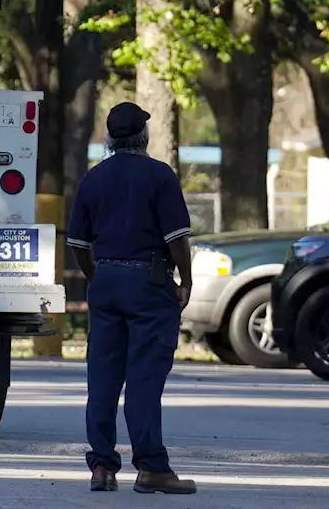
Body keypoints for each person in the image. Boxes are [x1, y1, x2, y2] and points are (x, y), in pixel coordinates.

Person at [66, 102, 197, 495]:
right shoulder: (159, 176)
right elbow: (177, 240)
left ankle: (102, 467)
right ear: (144, 137)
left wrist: (98, 276)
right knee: (143, 378)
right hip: (149, 284)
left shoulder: (93, 179)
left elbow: (76, 243)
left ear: (109, 138)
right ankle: (152, 467)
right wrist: (185, 282)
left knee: (103, 378)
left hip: (106, 281)